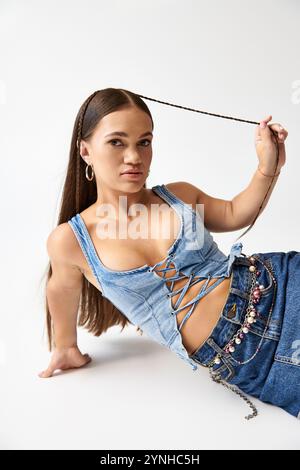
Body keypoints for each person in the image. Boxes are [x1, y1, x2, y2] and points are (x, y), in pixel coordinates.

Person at [39, 88, 298, 421]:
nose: (134, 156)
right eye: (117, 142)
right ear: (85, 150)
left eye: (143, 142)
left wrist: (268, 165)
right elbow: (60, 289)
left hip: (279, 283)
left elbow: (235, 213)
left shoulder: (178, 196)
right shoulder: (71, 240)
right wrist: (65, 348)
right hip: (250, 354)